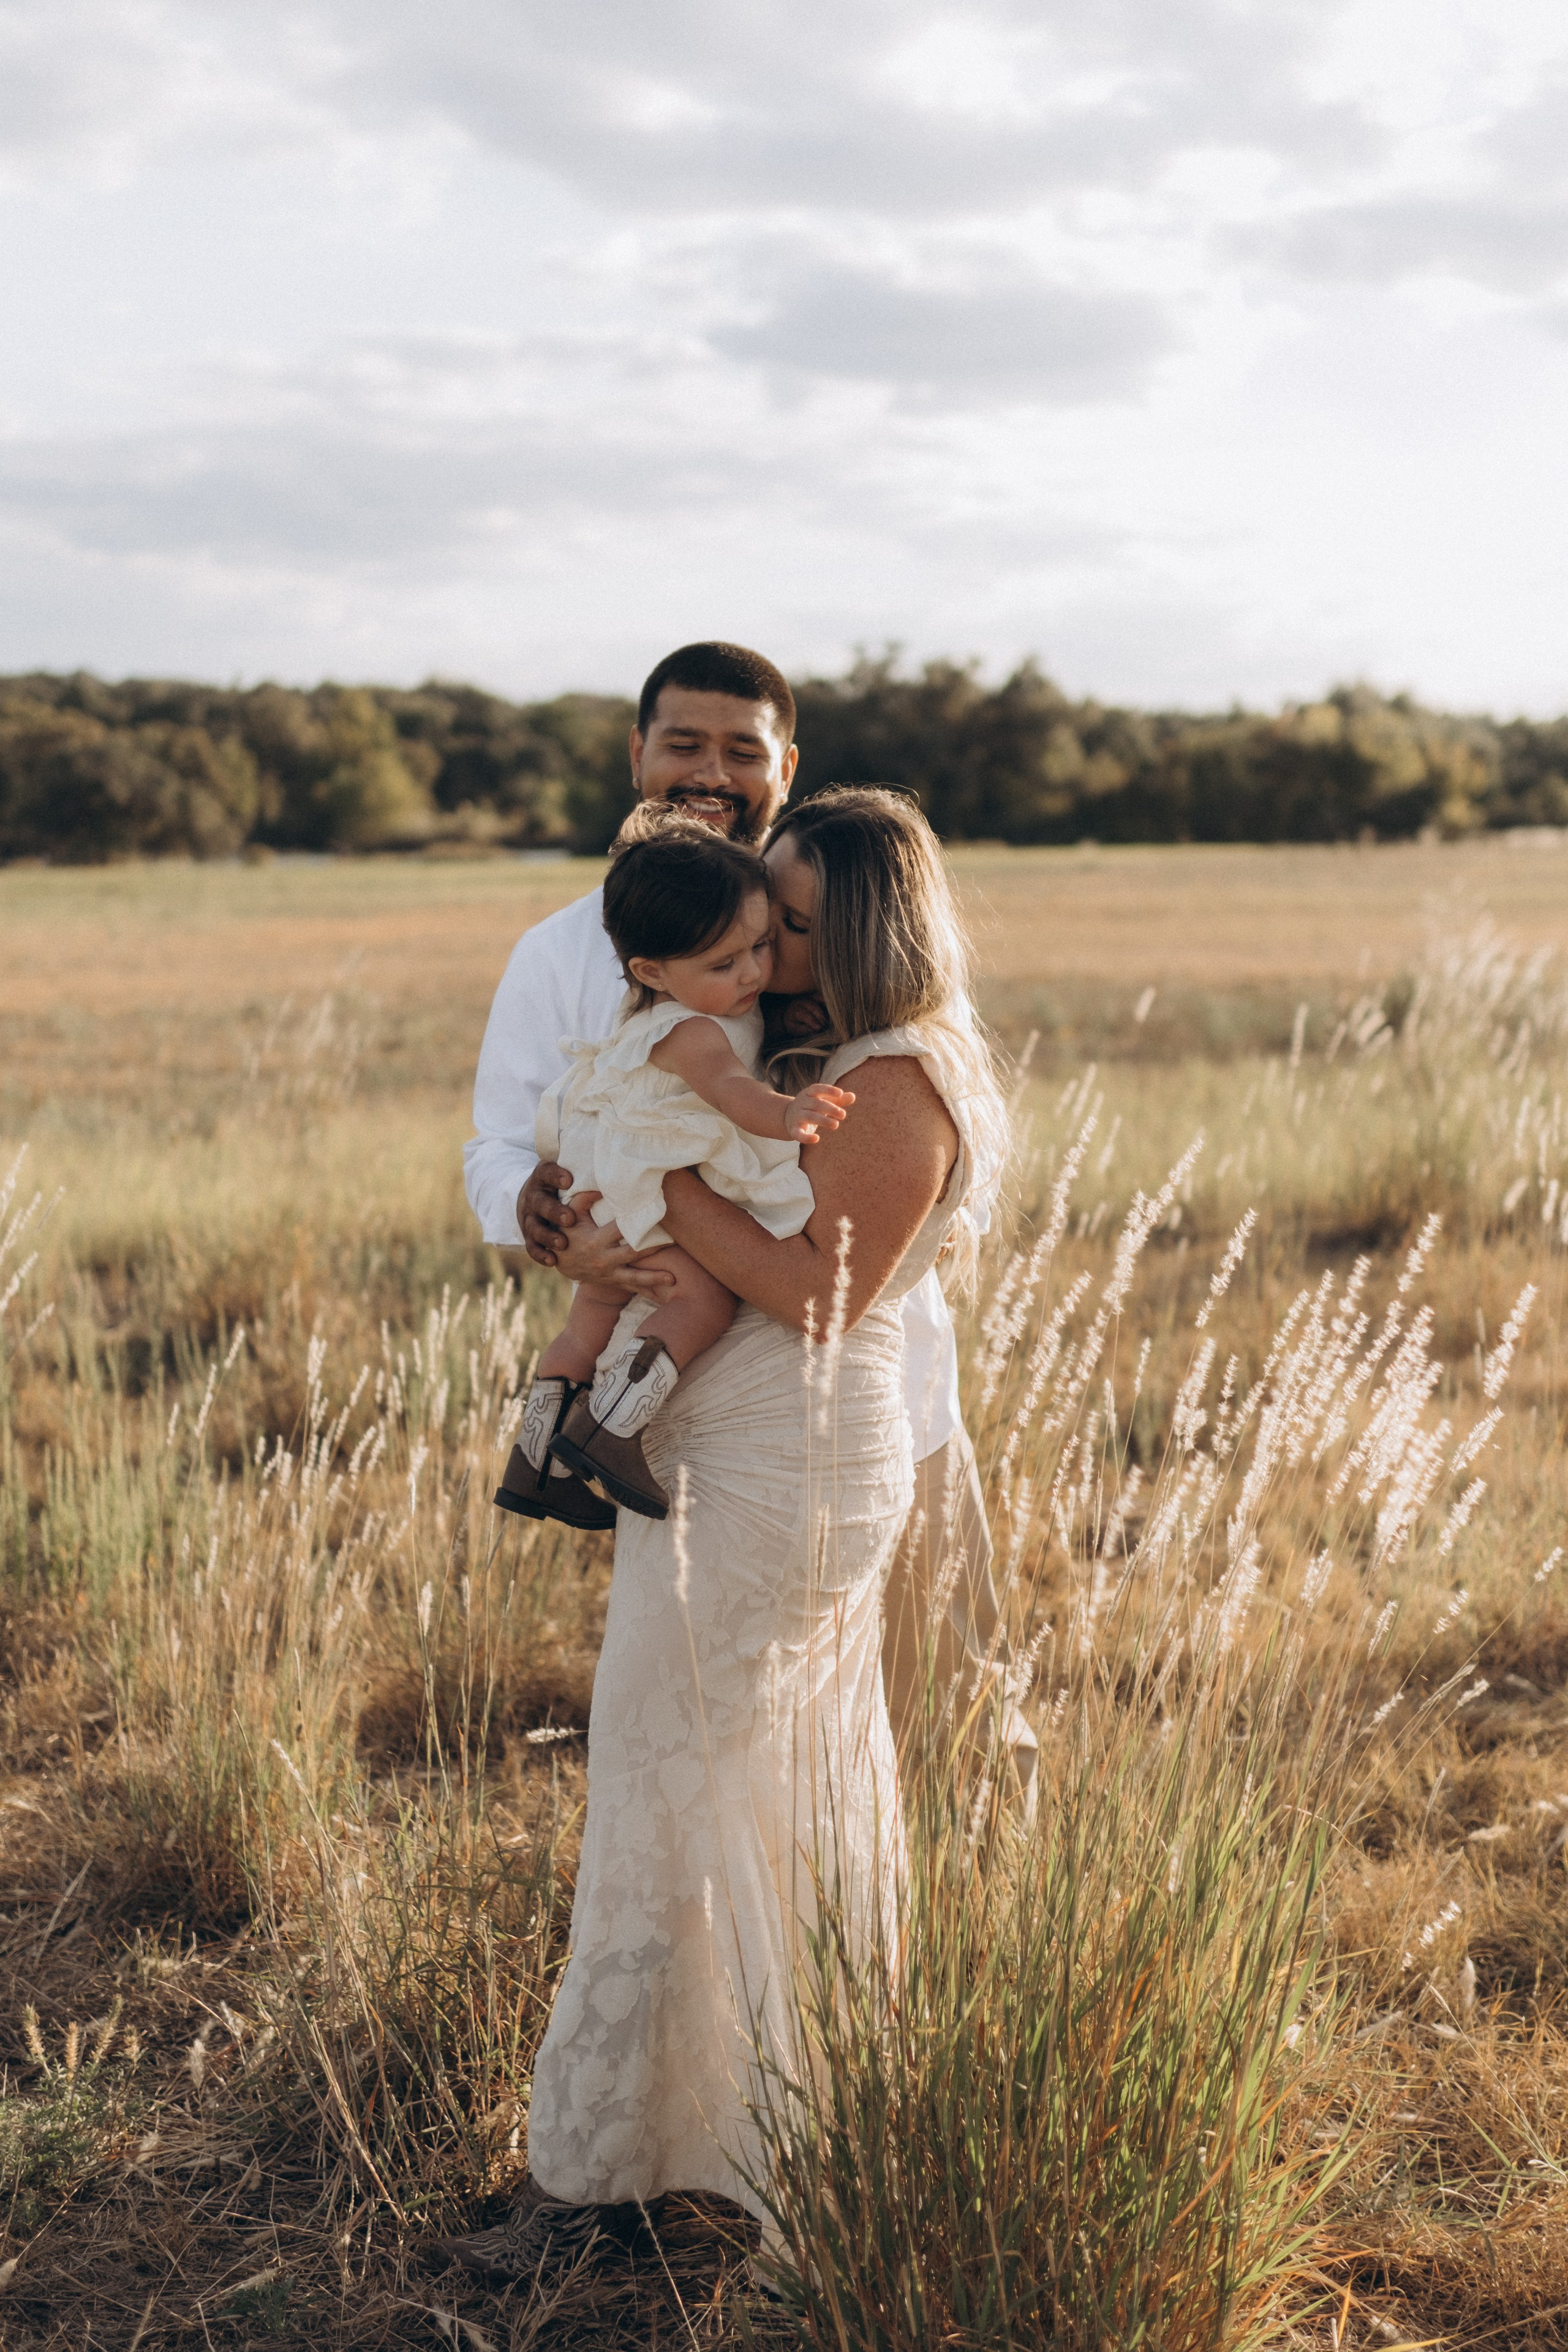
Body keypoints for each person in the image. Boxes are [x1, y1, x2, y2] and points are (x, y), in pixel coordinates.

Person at [437, 788, 1012, 2283]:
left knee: (683, 1764)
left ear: (873, 929)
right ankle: (693, 2148)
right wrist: (603, 1219)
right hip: (732, 1468)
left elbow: (820, 1297)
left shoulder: (896, 1076)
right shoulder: (805, 1052)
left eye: (800, 924)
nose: (767, 949)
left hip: (791, 1476)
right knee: (718, 1780)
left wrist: (674, 1189)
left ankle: (735, 2165)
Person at [464, 640, 1035, 1803]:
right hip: (686, 1390)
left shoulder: (837, 912)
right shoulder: (563, 949)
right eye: (684, 743)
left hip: (883, 1389)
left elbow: (866, 1170)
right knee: (737, 1737)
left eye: (742, 749)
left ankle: (980, 1939)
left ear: (786, 766)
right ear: (637, 753)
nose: (710, 771)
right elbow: (506, 1140)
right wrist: (539, 1208)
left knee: (947, 1704)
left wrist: (663, 1184)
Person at [513, 804, 854, 1523]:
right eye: (725, 964)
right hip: (645, 1198)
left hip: (605, 1196)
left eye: (761, 946)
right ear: (649, 970)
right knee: (702, 1299)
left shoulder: (650, 1016)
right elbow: (732, 1091)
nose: (754, 972)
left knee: (585, 1330)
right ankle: (610, 1429)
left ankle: (533, 1462)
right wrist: (786, 1115)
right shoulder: (695, 1030)